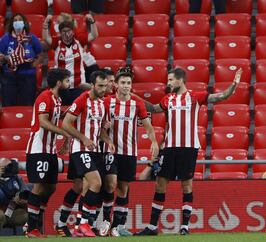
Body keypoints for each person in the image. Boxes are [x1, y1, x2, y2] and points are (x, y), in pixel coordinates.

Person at [135, 67, 243, 236]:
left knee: (186, 186)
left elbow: (221, 96)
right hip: (169, 148)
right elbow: (154, 109)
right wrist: (134, 97)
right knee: (160, 184)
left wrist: (234, 84)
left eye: (171, 80)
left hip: (188, 148)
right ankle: (152, 226)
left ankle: (185, 226)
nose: (168, 83)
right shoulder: (168, 99)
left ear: (180, 80)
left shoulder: (194, 97)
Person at [97, 67, 159, 237]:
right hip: (110, 151)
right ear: (115, 84)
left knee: (123, 188)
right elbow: (97, 125)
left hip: (130, 152)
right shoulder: (106, 102)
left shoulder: (137, 103)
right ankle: (106, 221)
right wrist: (104, 131)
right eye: (123, 83)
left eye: (128, 83)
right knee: (110, 184)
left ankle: (117, 226)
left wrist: (154, 141)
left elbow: (147, 125)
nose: (126, 86)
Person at [60, 71, 115, 237]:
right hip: (80, 149)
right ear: (92, 85)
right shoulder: (82, 99)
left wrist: (107, 140)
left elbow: (98, 131)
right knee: (96, 183)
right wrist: (83, 139)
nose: (103, 89)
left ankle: (79, 226)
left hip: (94, 150)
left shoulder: (102, 103)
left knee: (88, 188)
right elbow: (66, 124)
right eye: (100, 86)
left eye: (105, 86)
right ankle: (83, 224)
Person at [25, 68, 72, 238]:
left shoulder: (57, 99)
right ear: (59, 83)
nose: (69, 84)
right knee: (39, 185)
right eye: (67, 81)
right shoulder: (45, 97)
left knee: (51, 186)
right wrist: (64, 133)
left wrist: (66, 138)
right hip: (38, 149)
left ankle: (33, 220)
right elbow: (43, 122)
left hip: (50, 150)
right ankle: (31, 227)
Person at [42, 15, 99, 105]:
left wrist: (92, 21)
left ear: (73, 31)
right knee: (63, 109)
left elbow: (94, 35)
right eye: (64, 31)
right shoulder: (57, 42)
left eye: (69, 31)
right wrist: (45, 24)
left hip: (79, 84)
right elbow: (46, 38)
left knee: (78, 108)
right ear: (60, 32)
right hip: (62, 86)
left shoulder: (79, 40)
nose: (66, 33)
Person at [0, 13, 44, 106]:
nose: (17, 22)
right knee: (8, 105)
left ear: (24, 23)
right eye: (15, 20)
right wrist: (4, 58)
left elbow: (41, 55)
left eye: (20, 20)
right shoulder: (5, 38)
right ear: (12, 24)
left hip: (27, 76)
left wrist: (33, 65)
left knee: (27, 105)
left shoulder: (31, 38)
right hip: (9, 76)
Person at [0, 158, 30, 231]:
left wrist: (22, 201)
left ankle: (30, 234)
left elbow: (27, 195)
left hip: (11, 212)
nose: (10, 168)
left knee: (26, 215)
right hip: (1, 211)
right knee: (0, 216)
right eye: (7, 166)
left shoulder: (17, 178)